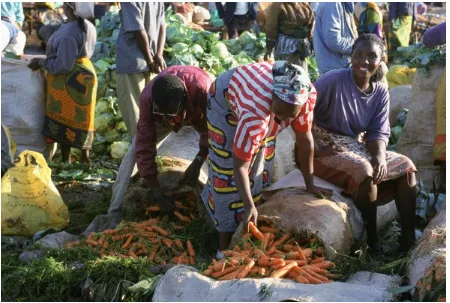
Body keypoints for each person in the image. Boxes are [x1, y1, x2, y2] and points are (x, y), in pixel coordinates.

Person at [202, 61, 333, 255]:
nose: (281, 120)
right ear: (272, 95)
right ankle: (223, 244)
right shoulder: (255, 112)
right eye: (278, 112)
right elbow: (238, 166)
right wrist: (248, 207)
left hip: (257, 98)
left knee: (261, 162)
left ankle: (251, 226)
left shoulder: (307, 96)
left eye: (290, 116)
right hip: (225, 99)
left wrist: (310, 184)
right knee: (226, 169)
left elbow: (305, 141)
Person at [308, 34, 417, 253]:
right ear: (351, 56)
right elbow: (302, 110)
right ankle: (372, 241)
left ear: (381, 59)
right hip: (321, 146)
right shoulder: (333, 80)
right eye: (358, 55)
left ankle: (408, 238)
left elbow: (378, 131)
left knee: (406, 167)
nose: (363, 61)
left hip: (352, 144)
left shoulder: (380, 92)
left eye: (371, 56)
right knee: (364, 170)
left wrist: (378, 155)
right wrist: (317, 146)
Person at [134, 65, 212, 214]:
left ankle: (211, 206)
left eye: (171, 114)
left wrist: (198, 161)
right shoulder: (148, 98)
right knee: (133, 155)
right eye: (162, 112)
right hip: (166, 113)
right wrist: (157, 193)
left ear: (181, 102)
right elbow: (144, 143)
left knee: (219, 151)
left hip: (194, 109)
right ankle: (115, 209)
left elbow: (211, 131)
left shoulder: (204, 91)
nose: (169, 120)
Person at [28, 2, 97, 164]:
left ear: (69, 8)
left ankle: (67, 160)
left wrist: (40, 62)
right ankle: (85, 158)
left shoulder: (70, 33)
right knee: (83, 117)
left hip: (69, 79)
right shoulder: (87, 25)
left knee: (65, 116)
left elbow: (63, 65)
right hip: (86, 73)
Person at [116, 2, 166, 139]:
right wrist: (158, 56)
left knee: (135, 115)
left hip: (132, 62)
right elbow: (162, 28)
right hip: (151, 64)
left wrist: (150, 60)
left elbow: (139, 30)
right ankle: (150, 154)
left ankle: (142, 155)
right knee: (149, 113)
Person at [264, 3, 315, 71]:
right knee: (297, 75)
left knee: (287, 77)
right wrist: (269, 47)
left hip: (292, 50)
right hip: (292, 49)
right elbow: (271, 27)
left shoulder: (303, 5)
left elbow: (271, 27)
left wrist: (269, 48)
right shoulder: (278, 5)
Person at [313, 2, 358, 75]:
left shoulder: (343, 5)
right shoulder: (332, 4)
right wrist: (359, 46)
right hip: (335, 71)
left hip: (341, 68)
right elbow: (333, 40)